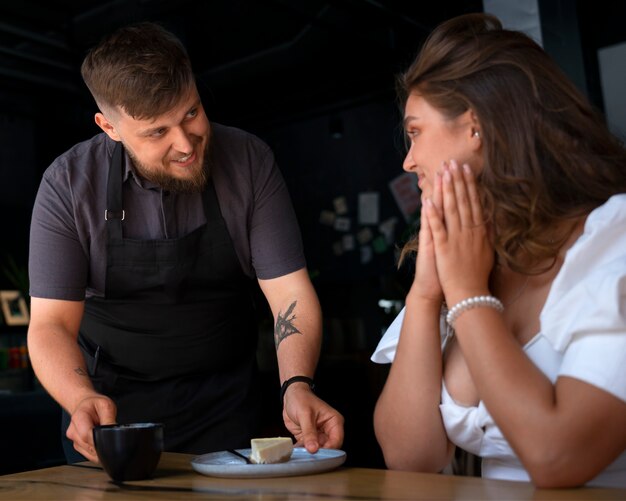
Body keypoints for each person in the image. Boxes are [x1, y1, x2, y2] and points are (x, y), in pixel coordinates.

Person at [27, 21, 343, 464]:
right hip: (112, 412)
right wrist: (79, 399)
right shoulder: (68, 186)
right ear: (109, 127)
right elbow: (50, 325)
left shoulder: (249, 162)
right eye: (157, 132)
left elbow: (289, 291)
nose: (185, 144)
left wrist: (296, 385)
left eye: (191, 113)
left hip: (226, 403)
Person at [372, 13, 626, 488]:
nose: (408, 161)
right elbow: (411, 458)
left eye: (415, 131)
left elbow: (557, 456)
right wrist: (426, 296)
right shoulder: (466, 255)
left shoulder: (615, 241)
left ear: (475, 126)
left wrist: (467, 294)